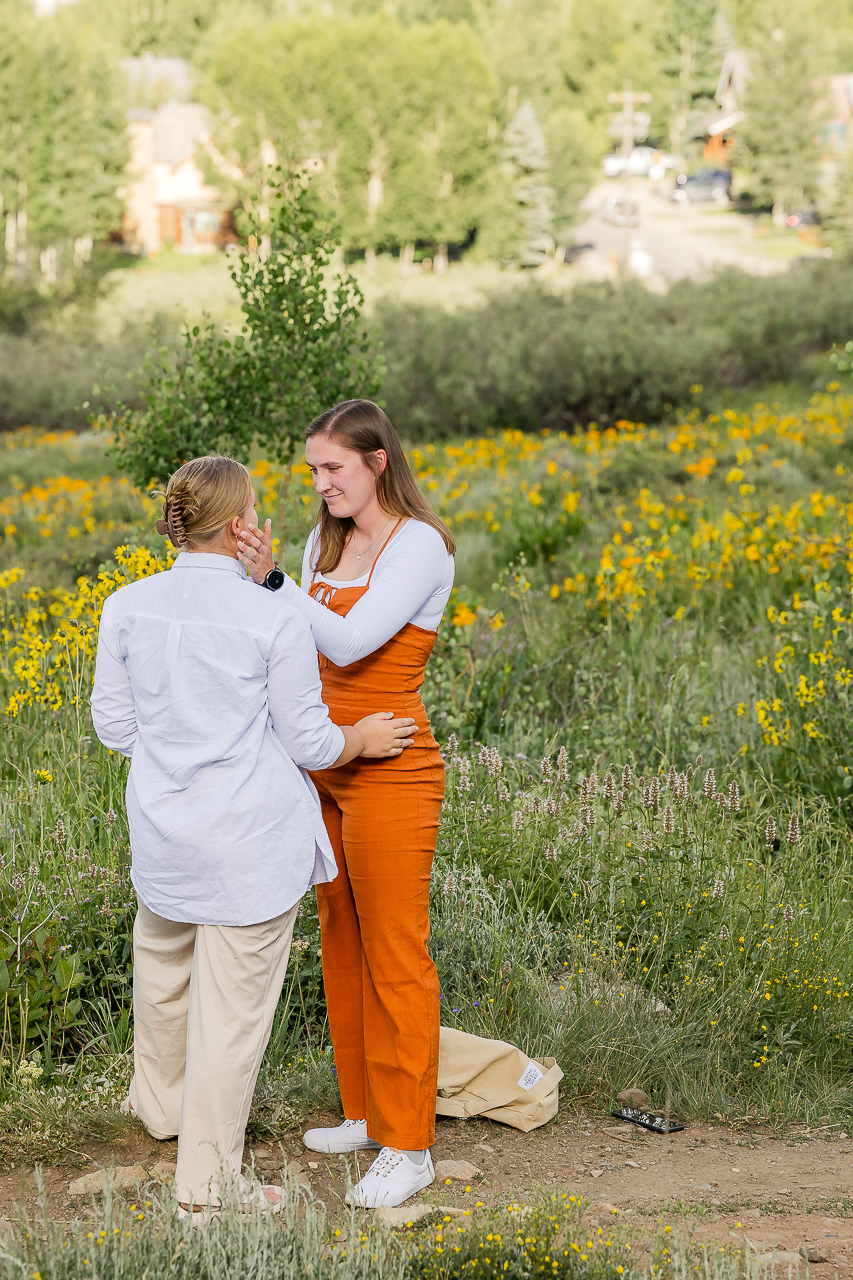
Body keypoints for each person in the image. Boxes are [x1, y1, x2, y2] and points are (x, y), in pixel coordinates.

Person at [91, 454, 417, 1218]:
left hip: (165, 832)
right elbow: (306, 740)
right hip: (245, 842)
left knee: (165, 981)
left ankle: (164, 1115)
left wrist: (177, 755)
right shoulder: (268, 615)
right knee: (229, 1022)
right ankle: (206, 1190)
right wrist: (360, 741)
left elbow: (114, 725)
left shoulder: (125, 605)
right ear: (240, 526)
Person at [236, 400, 455, 1208]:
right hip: (326, 760)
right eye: (313, 471)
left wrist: (275, 582)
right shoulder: (324, 541)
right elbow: (289, 637)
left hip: (393, 765)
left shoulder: (419, 545)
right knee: (341, 937)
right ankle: (366, 1112)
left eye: (333, 467)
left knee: (397, 952)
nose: (321, 483)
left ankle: (411, 1145)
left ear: (376, 463)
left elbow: (350, 641)